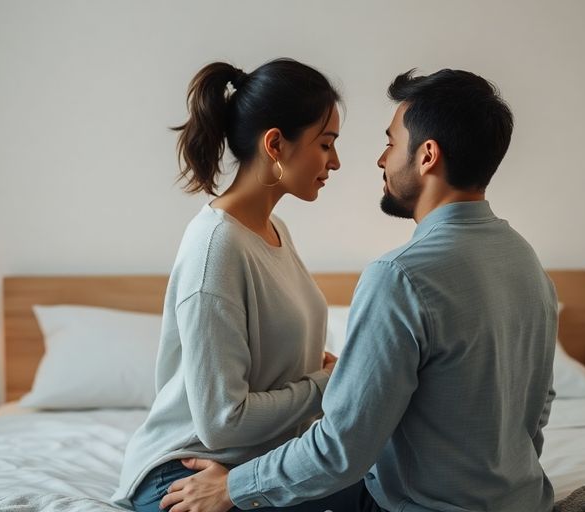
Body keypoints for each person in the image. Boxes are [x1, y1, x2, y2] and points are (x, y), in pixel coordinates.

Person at [160, 68, 558, 512]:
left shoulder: (400, 276)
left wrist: (233, 487)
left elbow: (340, 448)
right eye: (327, 143)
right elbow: (541, 403)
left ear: (427, 156)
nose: (380, 159)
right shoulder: (527, 261)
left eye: (390, 142)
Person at [112, 58, 368, 512]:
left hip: (255, 465)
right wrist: (325, 383)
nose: (336, 161)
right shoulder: (216, 250)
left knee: (400, 483)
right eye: (326, 144)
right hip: (188, 472)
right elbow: (222, 423)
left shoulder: (274, 231)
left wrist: (318, 371)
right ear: (276, 144)